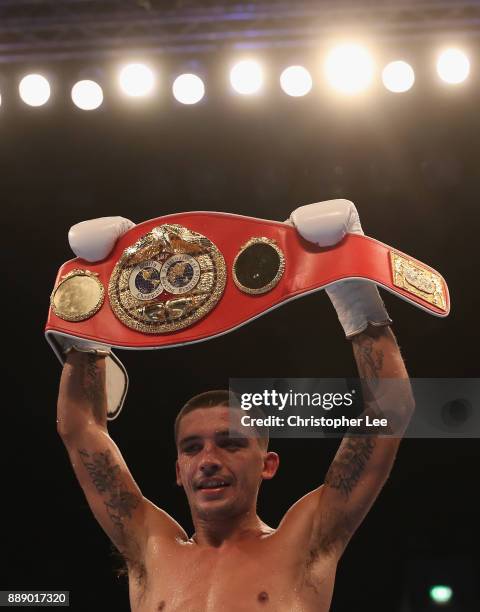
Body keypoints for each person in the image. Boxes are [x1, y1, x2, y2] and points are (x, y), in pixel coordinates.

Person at [55, 200, 415, 611]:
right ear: (178, 470)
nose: (208, 459)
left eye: (230, 443)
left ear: (268, 463)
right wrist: (86, 318)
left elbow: (390, 409)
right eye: (192, 448)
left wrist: (348, 278)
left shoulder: (304, 545)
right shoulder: (150, 549)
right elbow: (81, 430)